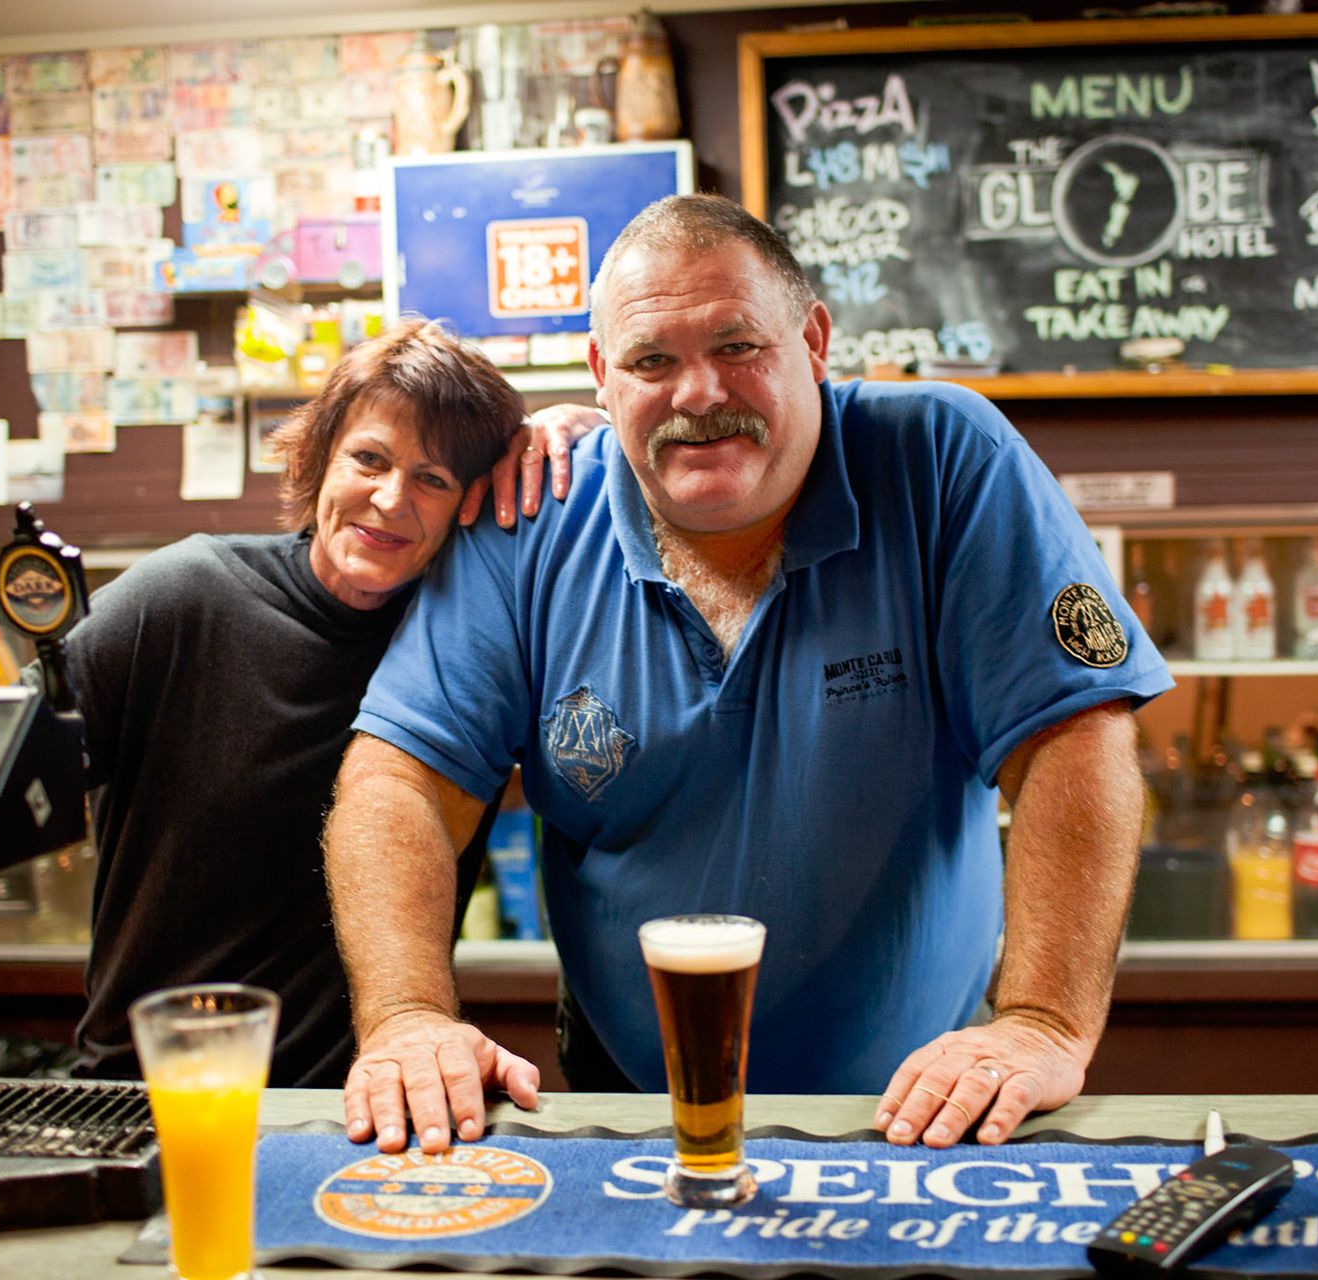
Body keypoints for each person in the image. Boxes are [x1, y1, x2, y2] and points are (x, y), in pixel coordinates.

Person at [325, 194, 1173, 1152]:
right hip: (632, 1107)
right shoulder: (531, 516)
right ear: (602, 375)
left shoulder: (941, 458)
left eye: (737, 347)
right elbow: (398, 781)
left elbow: (1077, 735)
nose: (697, 394)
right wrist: (406, 1017)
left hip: (934, 1106)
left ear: (813, 340)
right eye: (652, 361)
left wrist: (1042, 1022)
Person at [57, 318, 593, 1088]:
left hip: (376, 1103)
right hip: (152, 1098)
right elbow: (11, 776)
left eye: (433, 480)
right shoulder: (178, 602)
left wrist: (590, 430)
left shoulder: (472, 652)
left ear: (471, 504)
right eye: (368, 460)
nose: (389, 498)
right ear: (316, 459)